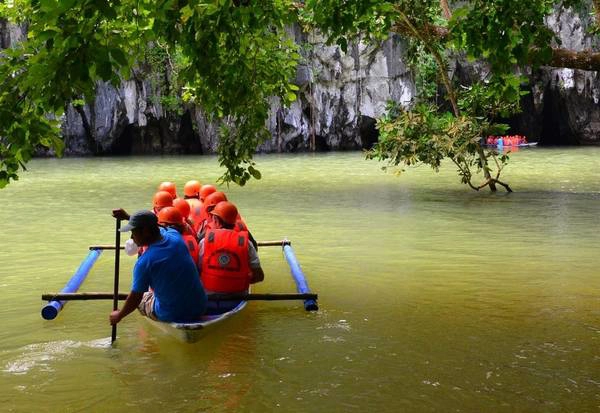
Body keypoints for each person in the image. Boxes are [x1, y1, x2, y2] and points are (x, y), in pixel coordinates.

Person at [109, 209, 207, 325]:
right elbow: (158, 226)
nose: (132, 237)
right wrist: (128, 217)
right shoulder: (174, 236)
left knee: (143, 298)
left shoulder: (144, 262)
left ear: (145, 231)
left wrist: (119, 316)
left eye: (133, 232)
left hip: (170, 313)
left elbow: (135, 298)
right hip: (200, 306)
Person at [199, 202, 264, 314]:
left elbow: (199, 269)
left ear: (216, 219)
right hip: (237, 295)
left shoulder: (205, 241)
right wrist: (240, 279)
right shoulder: (246, 243)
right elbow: (259, 276)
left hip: (208, 296)